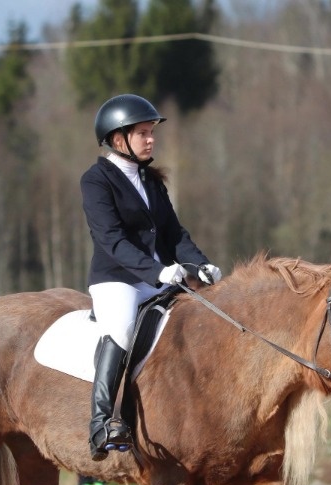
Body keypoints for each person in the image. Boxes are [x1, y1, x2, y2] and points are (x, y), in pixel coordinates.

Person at [81, 93, 222, 462]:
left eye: (151, 133)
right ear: (118, 139)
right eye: (143, 133)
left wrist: (201, 265)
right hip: (117, 280)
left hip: (159, 277)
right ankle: (102, 421)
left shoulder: (151, 181)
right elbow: (111, 240)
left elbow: (175, 234)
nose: (150, 139)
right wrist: (157, 270)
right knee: (124, 328)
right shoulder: (96, 180)